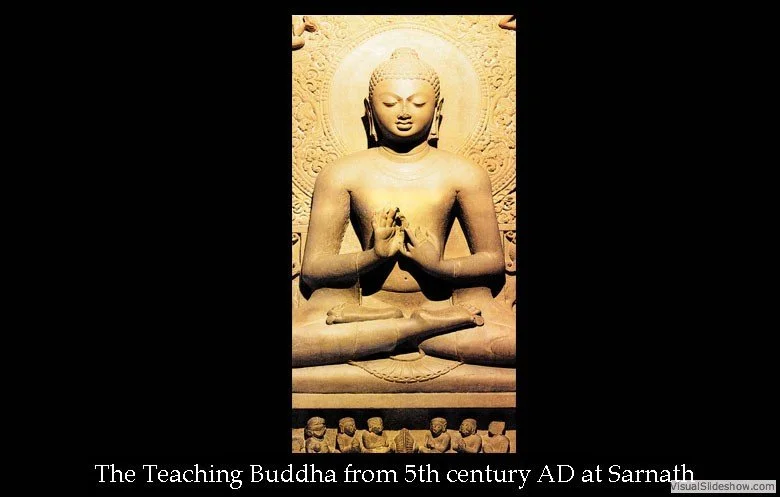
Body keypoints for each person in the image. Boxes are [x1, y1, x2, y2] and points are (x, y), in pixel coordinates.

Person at [292, 48, 515, 367]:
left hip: (444, 305)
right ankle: (418, 329)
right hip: (365, 312)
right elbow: (313, 269)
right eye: (390, 102)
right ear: (370, 110)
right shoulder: (341, 174)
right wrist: (374, 256)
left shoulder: (465, 174)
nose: (404, 112)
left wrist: (436, 265)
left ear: (437, 109)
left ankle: (403, 332)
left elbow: (493, 262)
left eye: (418, 102)